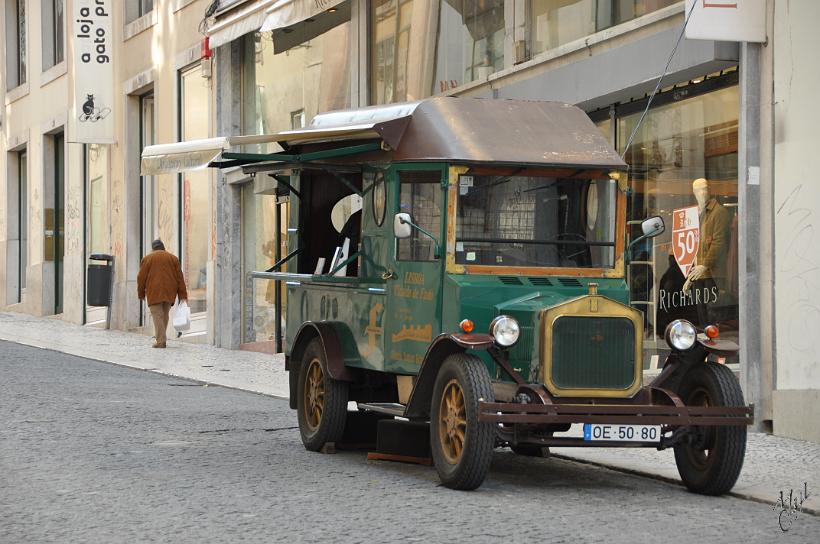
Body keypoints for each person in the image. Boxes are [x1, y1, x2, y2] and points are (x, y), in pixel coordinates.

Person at [682, 178, 731, 326]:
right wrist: (691, 275)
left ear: (709, 190)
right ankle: (706, 341)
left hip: (712, 272)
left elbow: (719, 243)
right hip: (699, 272)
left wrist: (704, 265)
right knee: (701, 312)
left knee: (711, 313)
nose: (703, 192)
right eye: (699, 189)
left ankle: (713, 343)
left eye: (705, 188)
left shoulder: (718, 212)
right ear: (694, 192)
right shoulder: (695, 214)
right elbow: (692, 245)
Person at [137, 239, 188, 348]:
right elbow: (180, 278)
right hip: (170, 292)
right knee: (164, 316)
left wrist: (141, 293)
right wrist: (182, 295)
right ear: (163, 247)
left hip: (154, 292)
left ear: (153, 248)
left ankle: (160, 341)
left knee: (157, 316)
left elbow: (141, 278)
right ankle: (162, 338)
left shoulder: (147, 259)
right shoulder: (173, 258)